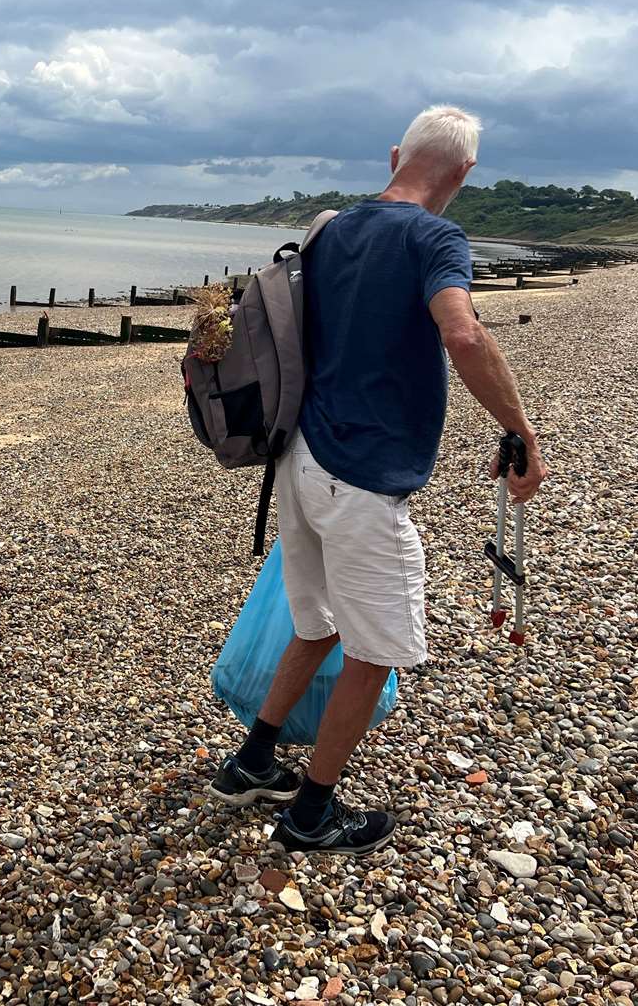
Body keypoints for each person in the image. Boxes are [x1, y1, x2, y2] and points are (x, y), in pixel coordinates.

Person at [209, 105, 548, 854]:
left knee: (316, 625)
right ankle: (311, 814)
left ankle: (253, 763)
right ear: (462, 174)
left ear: (396, 154)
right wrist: (521, 430)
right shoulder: (436, 237)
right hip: (361, 480)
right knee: (376, 651)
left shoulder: (333, 229)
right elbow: (461, 331)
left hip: (297, 462)